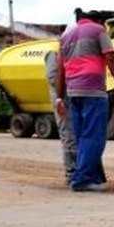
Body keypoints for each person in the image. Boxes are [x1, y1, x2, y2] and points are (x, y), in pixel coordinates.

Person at [56, 10, 114, 192]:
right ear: (99, 20)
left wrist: (58, 97)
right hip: (93, 89)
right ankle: (81, 180)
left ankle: (94, 178)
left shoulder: (66, 35)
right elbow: (110, 57)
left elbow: (59, 70)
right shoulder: (98, 30)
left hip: (73, 91)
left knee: (82, 137)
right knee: (94, 137)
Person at [45, 49, 76, 185]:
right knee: (68, 136)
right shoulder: (54, 51)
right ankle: (71, 173)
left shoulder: (71, 47)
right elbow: (53, 78)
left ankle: (76, 171)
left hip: (69, 96)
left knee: (74, 136)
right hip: (62, 99)